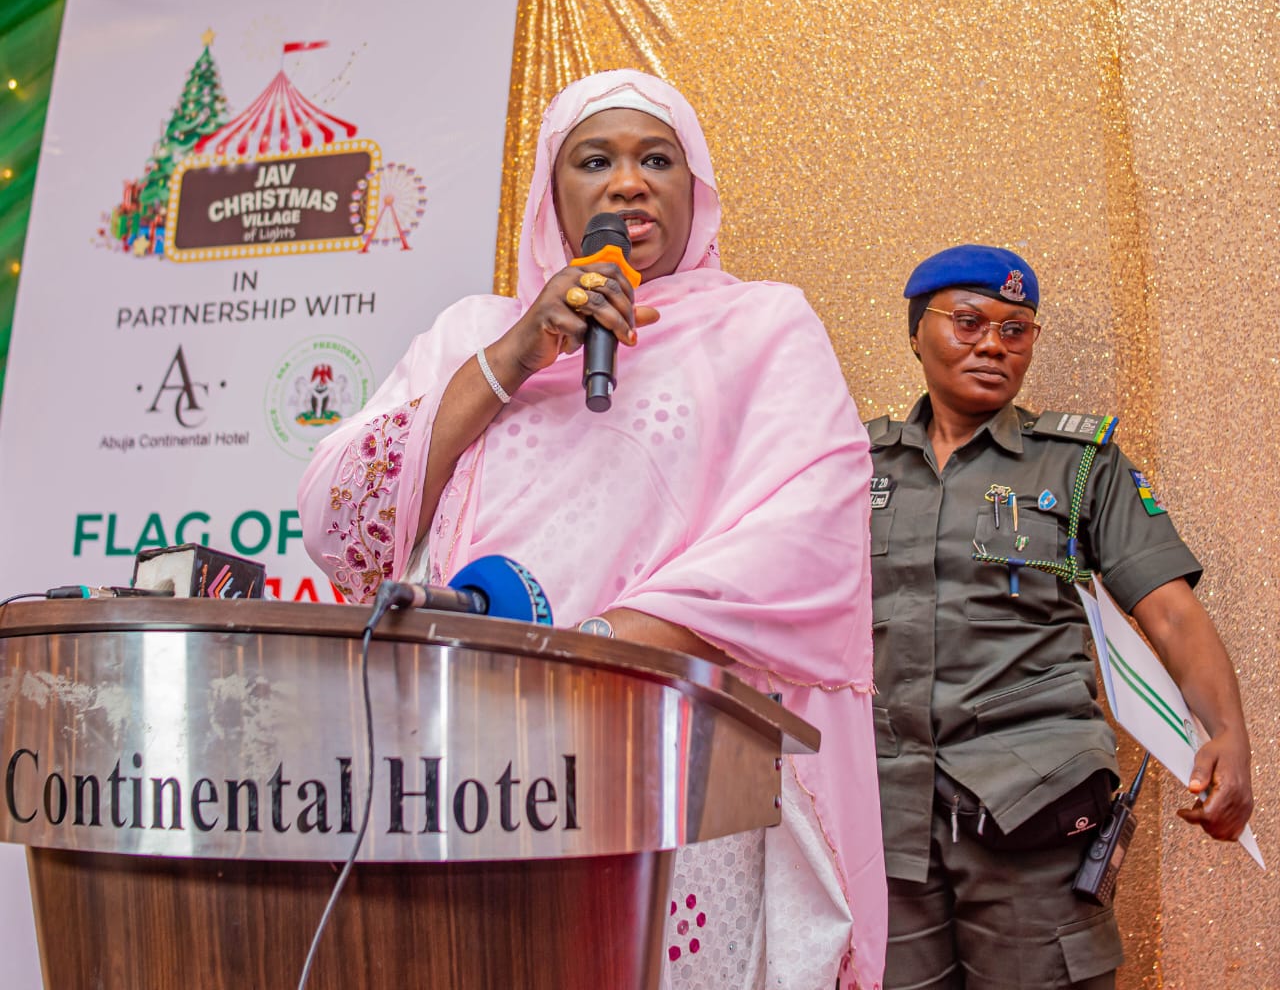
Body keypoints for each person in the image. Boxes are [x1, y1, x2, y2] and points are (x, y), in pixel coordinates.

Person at [298, 69, 887, 990]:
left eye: (657, 159)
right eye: (594, 161)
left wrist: (592, 655)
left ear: (695, 189)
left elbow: (805, 535)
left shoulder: (762, 325)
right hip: (467, 766)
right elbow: (342, 521)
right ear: (553, 193)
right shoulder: (471, 332)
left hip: (670, 767)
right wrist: (514, 355)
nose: (627, 184)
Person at [868, 244, 1253, 989]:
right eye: (969, 322)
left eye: (1016, 330)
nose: (993, 345)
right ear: (917, 332)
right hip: (886, 813)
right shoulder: (854, 465)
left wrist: (1228, 737)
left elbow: (1170, 614)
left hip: (1033, 807)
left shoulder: (1078, 465)